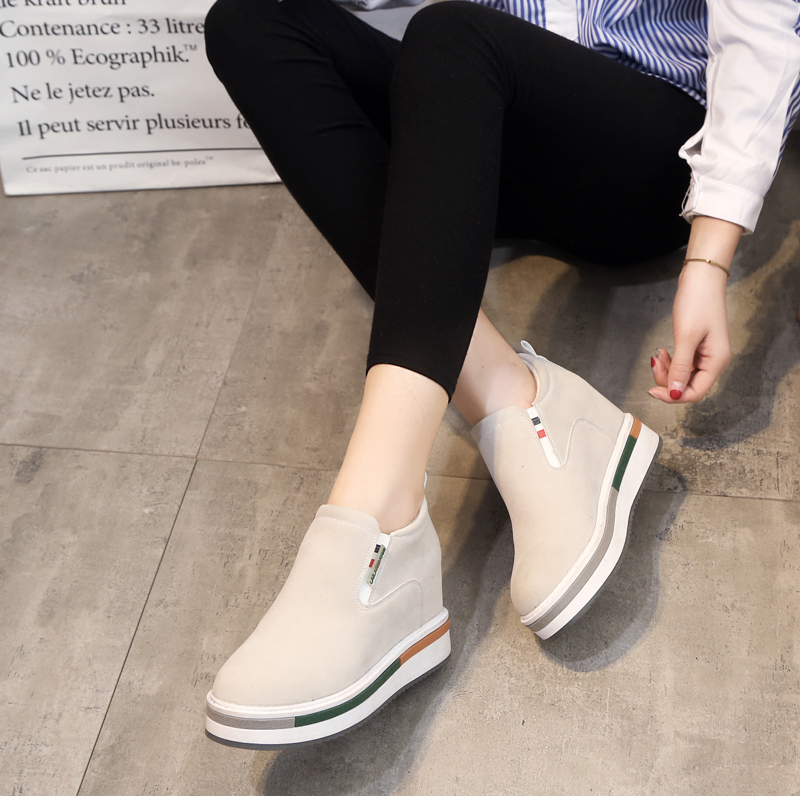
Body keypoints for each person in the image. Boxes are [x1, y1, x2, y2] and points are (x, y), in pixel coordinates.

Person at [201, 0, 800, 746]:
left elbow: (762, 36)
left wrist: (709, 259)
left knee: (451, 33)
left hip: (639, 151)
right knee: (249, 21)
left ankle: (376, 519)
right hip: (470, 123)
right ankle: (519, 400)